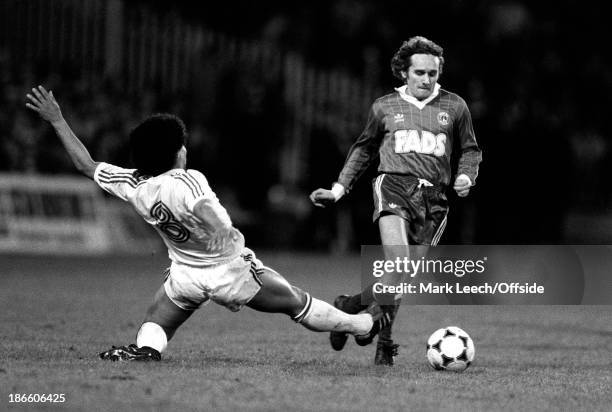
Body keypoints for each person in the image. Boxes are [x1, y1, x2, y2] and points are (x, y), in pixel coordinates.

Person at [25, 85, 388, 362]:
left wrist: (57, 119)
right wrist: (222, 231)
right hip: (229, 271)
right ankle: (364, 325)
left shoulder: (132, 184)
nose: (185, 148)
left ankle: (145, 351)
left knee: (158, 321)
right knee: (297, 303)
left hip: (185, 275)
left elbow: (86, 165)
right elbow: (204, 208)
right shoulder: (187, 179)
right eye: (181, 144)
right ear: (176, 152)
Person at [310, 36, 482, 366]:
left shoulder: (455, 106)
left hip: (434, 198)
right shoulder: (385, 107)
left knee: (401, 274)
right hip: (393, 185)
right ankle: (384, 341)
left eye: (432, 73)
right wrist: (338, 188)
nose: (426, 79)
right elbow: (363, 149)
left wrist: (465, 176)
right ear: (404, 72)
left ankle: (350, 306)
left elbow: (470, 150)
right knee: (399, 262)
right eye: (419, 72)